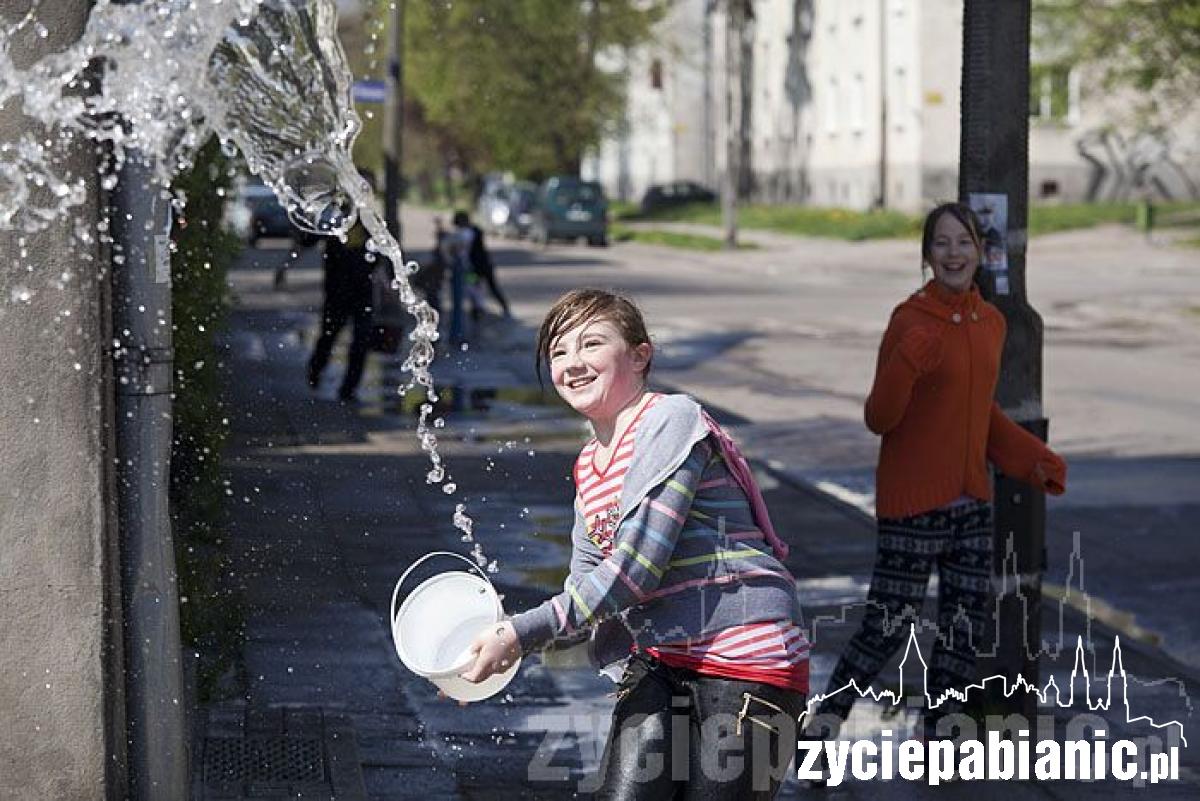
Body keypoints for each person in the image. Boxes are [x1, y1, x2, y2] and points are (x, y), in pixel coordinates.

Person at [458, 289, 809, 799]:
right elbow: (586, 592)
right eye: (558, 351)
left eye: (591, 344)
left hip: (747, 658)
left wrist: (518, 634)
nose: (572, 363)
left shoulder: (672, 421)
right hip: (662, 656)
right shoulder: (589, 466)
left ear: (640, 355)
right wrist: (480, 661)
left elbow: (632, 574)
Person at [804, 202, 1067, 749]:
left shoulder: (990, 324)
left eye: (963, 243)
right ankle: (820, 732)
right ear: (927, 256)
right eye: (941, 244)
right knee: (886, 629)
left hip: (972, 501)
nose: (953, 254)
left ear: (980, 251)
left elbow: (980, 415)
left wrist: (1029, 457)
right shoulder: (909, 321)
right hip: (913, 505)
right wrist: (905, 364)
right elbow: (880, 417)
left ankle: (934, 746)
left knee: (961, 635)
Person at [306, 170, 385, 403]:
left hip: (363, 290)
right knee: (329, 336)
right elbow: (308, 238)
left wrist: (386, 281)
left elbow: (384, 254)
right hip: (337, 290)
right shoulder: (336, 214)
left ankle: (349, 389)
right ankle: (315, 371)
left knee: (361, 341)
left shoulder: (372, 220)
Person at [452, 209, 511, 319]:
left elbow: (462, 247)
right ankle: (478, 311)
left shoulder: (469, 233)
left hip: (478, 267)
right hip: (477, 267)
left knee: (480, 288)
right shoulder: (473, 231)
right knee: (475, 288)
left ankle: (498, 308)